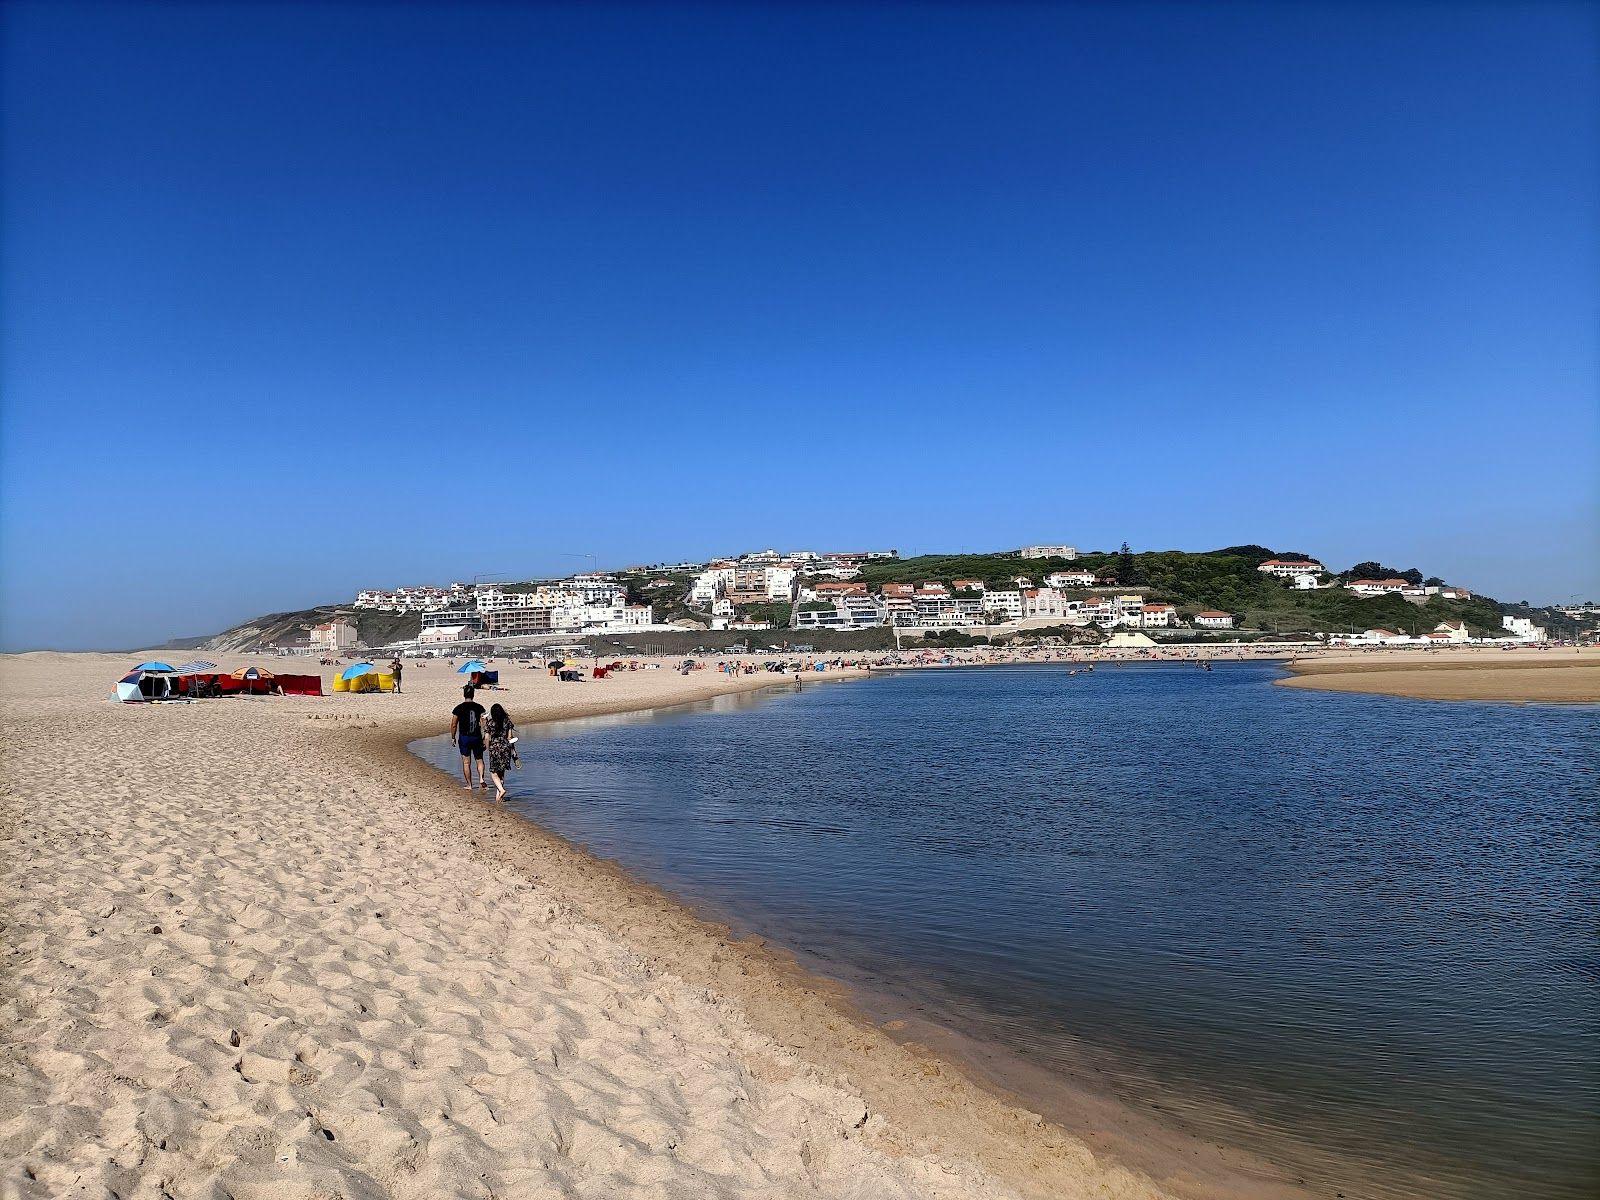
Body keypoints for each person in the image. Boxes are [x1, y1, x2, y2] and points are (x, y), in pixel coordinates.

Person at [449, 684, 488, 791]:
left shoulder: (458, 708)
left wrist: (453, 737)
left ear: (464, 694)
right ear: (473, 695)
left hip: (464, 737)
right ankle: (481, 779)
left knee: (466, 762)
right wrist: (485, 736)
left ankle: (469, 785)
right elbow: (484, 722)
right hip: (476, 736)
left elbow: (453, 724)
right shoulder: (479, 707)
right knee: (479, 759)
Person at [486, 702, 518, 802]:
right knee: (501, 773)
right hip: (505, 749)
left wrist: (488, 748)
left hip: (494, 749)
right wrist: (514, 751)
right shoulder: (507, 722)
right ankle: (499, 798)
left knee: (493, 772)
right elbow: (510, 738)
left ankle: (501, 790)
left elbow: (487, 738)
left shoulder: (490, 723)